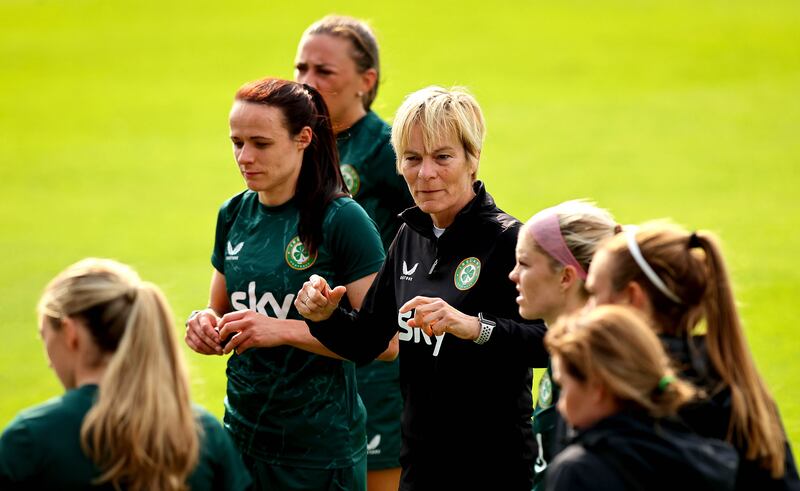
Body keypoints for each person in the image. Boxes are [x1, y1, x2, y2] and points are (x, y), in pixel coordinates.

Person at [296, 86, 549, 490]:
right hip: (420, 467)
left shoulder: (508, 241)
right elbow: (368, 341)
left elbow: (552, 343)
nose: (425, 173)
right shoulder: (409, 236)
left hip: (493, 468)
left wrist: (473, 327)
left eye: (442, 157)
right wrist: (326, 317)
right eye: (412, 158)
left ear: (473, 158)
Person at [183, 77, 392, 490]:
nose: (245, 157)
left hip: (318, 456)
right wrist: (204, 324)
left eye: (261, 143)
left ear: (303, 138)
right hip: (241, 440)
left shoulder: (342, 221)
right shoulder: (233, 214)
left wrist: (279, 330)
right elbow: (221, 310)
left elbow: (385, 342)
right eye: (236, 142)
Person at [0, 258, 251, 490]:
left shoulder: (28, 441)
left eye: (45, 337)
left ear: (70, 333)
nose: (49, 363)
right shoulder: (201, 433)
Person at [586, 223, 800, 490]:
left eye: (594, 294)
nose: (587, 310)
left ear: (632, 298)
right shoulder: (736, 379)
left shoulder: (626, 387)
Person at [294, 16, 414, 490]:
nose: (306, 82)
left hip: (373, 354)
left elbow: (435, 231)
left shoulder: (386, 150)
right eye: (300, 68)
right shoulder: (297, 145)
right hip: (312, 343)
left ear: (366, 82)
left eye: (324, 71)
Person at [543, 305, 739, 491]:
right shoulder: (707, 457)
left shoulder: (579, 472)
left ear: (597, 388)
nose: (560, 406)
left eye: (563, 386)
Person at [508, 200, 618, 489]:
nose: (513, 275)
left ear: (566, 277)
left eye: (524, 263)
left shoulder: (591, 362)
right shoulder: (572, 349)